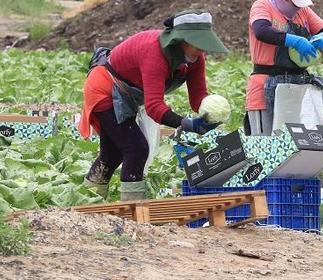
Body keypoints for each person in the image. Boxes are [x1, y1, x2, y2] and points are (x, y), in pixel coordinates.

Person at [79, 10, 229, 200]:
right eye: (198, 44)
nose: (202, 50)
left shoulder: (195, 59)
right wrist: (187, 124)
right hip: (103, 89)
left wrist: (208, 114)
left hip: (126, 95)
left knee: (112, 153)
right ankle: (132, 210)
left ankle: (87, 203)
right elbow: (154, 106)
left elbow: (197, 96)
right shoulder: (154, 53)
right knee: (136, 148)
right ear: (181, 40)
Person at [245, 0, 323, 135]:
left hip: (296, 87)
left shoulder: (303, 11)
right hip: (264, 85)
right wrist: (294, 40)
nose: (296, 7)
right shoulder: (262, 6)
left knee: (294, 142)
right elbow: (261, 30)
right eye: (293, 3)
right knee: (264, 144)